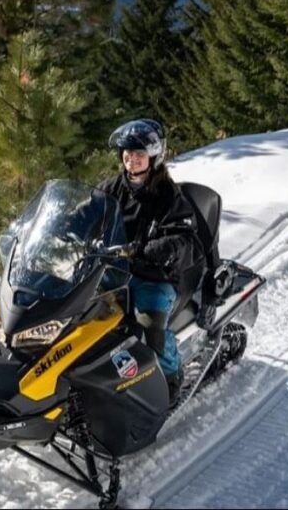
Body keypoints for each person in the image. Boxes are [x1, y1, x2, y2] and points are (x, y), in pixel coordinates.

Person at [98, 118, 201, 405]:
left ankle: (170, 380)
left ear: (154, 157)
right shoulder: (112, 188)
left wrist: (148, 249)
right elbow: (86, 212)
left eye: (139, 155)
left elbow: (185, 239)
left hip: (153, 276)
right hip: (112, 271)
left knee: (149, 326)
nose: (132, 161)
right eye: (128, 155)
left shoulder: (168, 195)